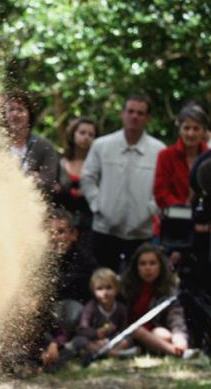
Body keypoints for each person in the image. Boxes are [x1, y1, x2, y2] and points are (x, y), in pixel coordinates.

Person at [81, 94, 166, 272]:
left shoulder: (159, 150)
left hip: (142, 231)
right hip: (105, 229)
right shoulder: (101, 145)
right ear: (123, 114)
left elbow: (163, 187)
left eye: (140, 113)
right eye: (131, 111)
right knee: (103, 279)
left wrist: (152, 209)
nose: (134, 117)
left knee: (138, 283)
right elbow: (88, 177)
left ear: (147, 118)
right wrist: (98, 205)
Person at [120, 244, 188, 356]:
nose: (148, 268)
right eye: (143, 264)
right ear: (136, 267)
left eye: (152, 263)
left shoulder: (168, 289)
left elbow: (176, 316)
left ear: (160, 266)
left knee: (164, 334)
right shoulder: (124, 287)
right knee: (138, 330)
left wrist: (180, 337)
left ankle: (175, 349)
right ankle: (178, 353)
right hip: (126, 333)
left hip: (153, 333)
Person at [2, 91, 60, 195]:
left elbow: (47, 182)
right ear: (5, 115)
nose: (15, 114)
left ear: (30, 115)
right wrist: (32, 176)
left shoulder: (44, 146)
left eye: (20, 109)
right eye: (11, 110)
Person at [154, 105, 209, 211]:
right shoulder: (165, 156)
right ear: (180, 130)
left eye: (196, 128)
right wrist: (183, 209)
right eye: (186, 128)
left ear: (203, 131)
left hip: (205, 219)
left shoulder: (209, 157)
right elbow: (161, 193)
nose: (191, 133)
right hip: (173, 218)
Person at [54, 116, 98, 233]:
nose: (86, 137)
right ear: (73, 134)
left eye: (91, 135)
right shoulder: (59, 163)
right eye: (82, 132)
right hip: (61, 227)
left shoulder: (98, 167)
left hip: (90, 227)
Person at [73, 268, 130, 356]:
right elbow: (82, 329)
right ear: (93, 290)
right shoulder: (90, 307)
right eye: (100, 289)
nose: (105, 292)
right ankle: (113, 353)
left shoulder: (121, 308)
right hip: (94, 341)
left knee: (129, 337)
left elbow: (123, 329)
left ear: (117, 288)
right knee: (79, 340)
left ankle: (106, 352)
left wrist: (115, 336)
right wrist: (97, 333)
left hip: (112, 340)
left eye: (109, 287)